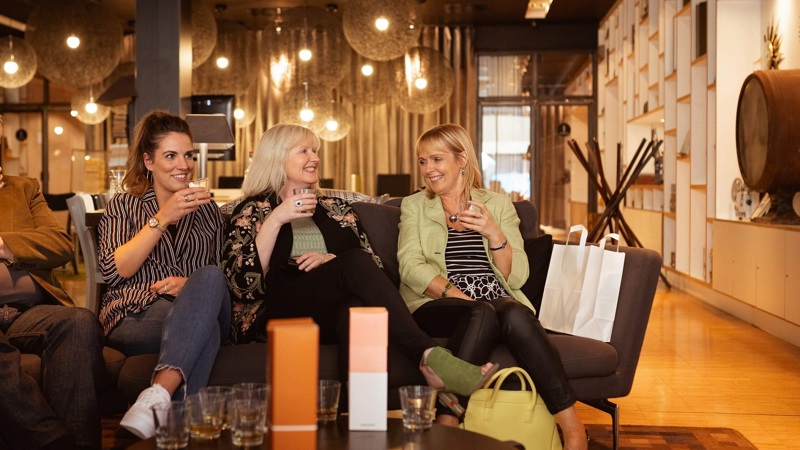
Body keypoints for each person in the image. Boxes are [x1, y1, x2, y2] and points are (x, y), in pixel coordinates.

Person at [221, 123, 498, 398]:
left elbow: (375, 270)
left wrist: (331, 262)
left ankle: (358, 414)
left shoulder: (336, 208)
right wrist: (277, 218)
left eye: (315, 151)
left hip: (328, 313)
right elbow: (242, 285)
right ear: (277, 157)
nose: (315, 158)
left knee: (354, 307)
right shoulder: (252, 210)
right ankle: (428, 355)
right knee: (353, 261)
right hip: (278, 308)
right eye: (303, 151)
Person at [397, 123, 588, 450]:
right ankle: (449, 423)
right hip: (440, 302)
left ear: (461, 160)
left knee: (509, 310)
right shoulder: (415, 205)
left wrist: (494, 234)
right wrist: (463, 298)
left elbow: (518, 277)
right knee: (484, 311)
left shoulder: (497, 205)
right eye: (423, 161)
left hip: (497, 300)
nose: (428, 169)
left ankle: (571, 428)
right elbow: (411, 266)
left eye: (437, 159)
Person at [97, 110, 231, 439]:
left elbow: (220, 277)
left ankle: (156, 399)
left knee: (209, 279)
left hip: (193, 307)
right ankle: (180, 427)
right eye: (170, 156)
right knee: (207, 329)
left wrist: (190, 285)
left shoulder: (208, 211)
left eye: (188, 155)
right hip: (136, 311)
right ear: (149, 161)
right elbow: (113, 271)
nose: (183, 165)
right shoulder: (124, 205)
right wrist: (162, 217)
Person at [0, 161, 105, 449]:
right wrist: (25, 245)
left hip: (29, 312)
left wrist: (3, 244)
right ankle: (55, 442)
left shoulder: (24, 188)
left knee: (78, 322)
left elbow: (59, 244)